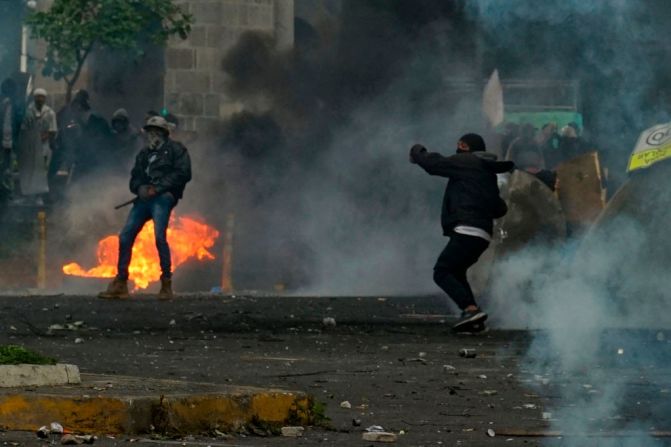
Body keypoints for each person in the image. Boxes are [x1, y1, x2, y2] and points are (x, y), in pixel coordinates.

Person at [410, 133, 514, 332]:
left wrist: (417, 151)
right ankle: (474, 319)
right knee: (457, 272)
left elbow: (434, 164)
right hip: (483, 234)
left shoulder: (467, 161)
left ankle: (470, 310)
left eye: (460, 145)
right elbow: (500, 209)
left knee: (442, 272)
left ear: (464, 146)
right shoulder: (487, 173)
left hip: (467, 229)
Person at [99, 116, 191, 299]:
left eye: (155, 131)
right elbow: (135, 178)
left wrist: (158, 188)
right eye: (149, 131)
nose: (151, 135)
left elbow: (183, 173)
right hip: (144, 200)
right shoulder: (143, 155)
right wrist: (140, 188)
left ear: (164, 133)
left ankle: (166, 284)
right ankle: (121, 282)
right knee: (125, 236)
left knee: (159, 237)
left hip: (163, 198)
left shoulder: (176, 150)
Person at [18, 88, 57, 205]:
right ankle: (27, 195)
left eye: (42, 97)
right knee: (28, 171)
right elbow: (23, 129)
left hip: (44, 147)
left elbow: (52, 130)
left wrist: (41, 139)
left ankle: (39, 196)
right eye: (37, 96)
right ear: (34, 98)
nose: (40, 99)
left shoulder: (50, 113)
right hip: (29, 147)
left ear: (45, 98)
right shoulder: (27, 111)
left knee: (41, 172)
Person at [0, 79, 22, 201]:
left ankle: (11, 193)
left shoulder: (17, 105)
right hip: (3, 142)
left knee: (13, 169)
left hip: (13, 142)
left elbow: (20, 122)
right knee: (4, 168)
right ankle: (5, 192)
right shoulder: (1, 104)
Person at [110, 108, 142, 172]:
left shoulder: (133, 135)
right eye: (116, 122)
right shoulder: (113, 134)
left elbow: (136, 151)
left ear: (125, 123)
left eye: (119, 122)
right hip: (116, 165)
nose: (117, 125)